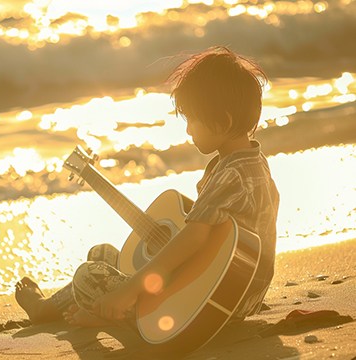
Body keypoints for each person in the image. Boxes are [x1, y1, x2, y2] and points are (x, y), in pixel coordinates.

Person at [14, 46, 280, 332]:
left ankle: (112, 318)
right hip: (241, 296)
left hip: (202, 301)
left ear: (224, 121)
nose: (189, 130)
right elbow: (216, 240)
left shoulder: (229, 175)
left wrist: (128, 291)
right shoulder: (255, 165)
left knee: (87, 276)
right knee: (103, 255)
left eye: (192, 119)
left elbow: (193, 238)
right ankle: (70, 309)